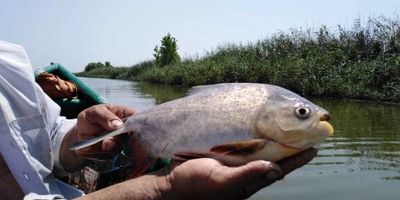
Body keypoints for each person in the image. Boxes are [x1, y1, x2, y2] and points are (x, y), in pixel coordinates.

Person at [0, 40, 317, 200]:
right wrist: (164, 187)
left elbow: (45, 138)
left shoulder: (10, 60)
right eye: (301, 113)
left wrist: (72, 142)